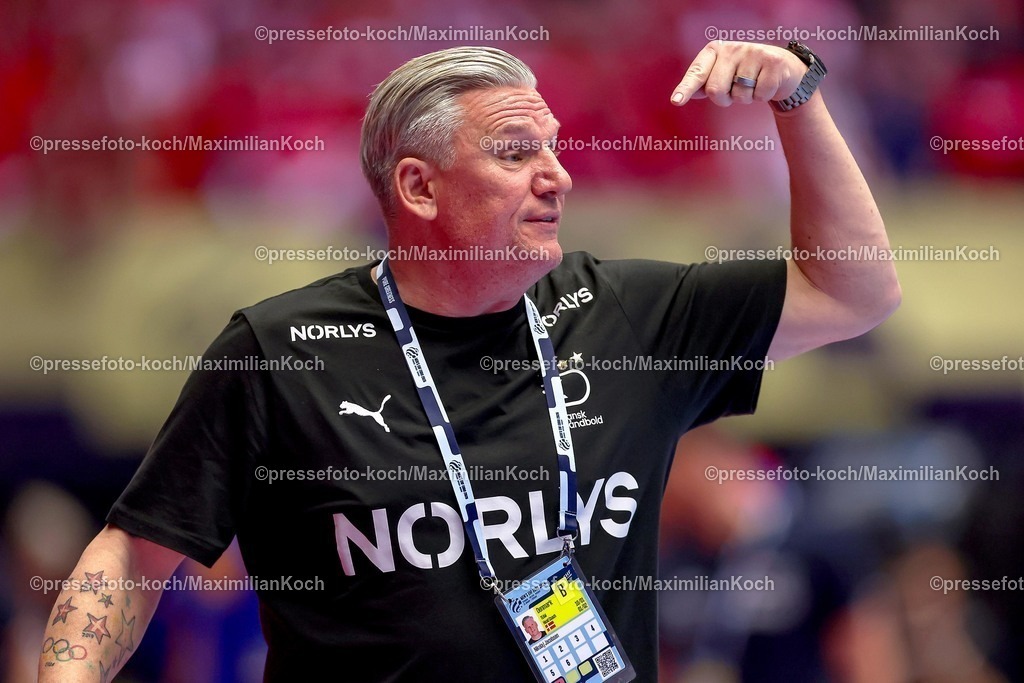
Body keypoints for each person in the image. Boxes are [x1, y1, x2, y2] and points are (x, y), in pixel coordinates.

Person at [38, 43, 900, 682]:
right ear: (418, 188)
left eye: (555, 148)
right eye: (517, 153)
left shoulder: (629, 315)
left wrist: (799, 97)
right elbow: (131, 554)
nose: (557, 176)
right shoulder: (280, 349)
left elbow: (855, 292)